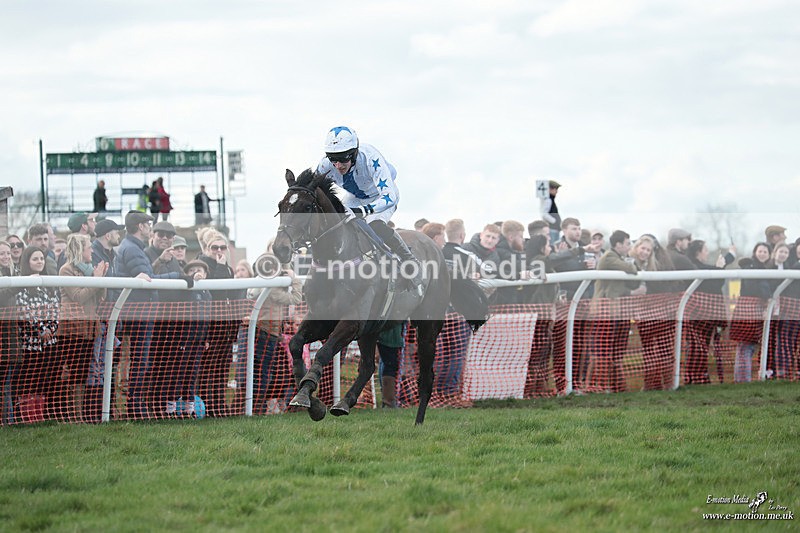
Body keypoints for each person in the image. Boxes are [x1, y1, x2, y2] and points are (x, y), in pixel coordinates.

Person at [316, 125, 424, 296]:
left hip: (381, 196)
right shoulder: (324, 166)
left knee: (375, 223)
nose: (337, 165)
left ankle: (409, 261)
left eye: (343, 158)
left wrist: (363, 210)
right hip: (356, 197)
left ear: (353, 153)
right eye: (332, 159)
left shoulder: (370, 157)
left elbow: (389, 196)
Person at [114, 211, 193, 418]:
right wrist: (179, 276)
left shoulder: (133, 248)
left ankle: (137, 407)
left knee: (142, 362)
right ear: (141, 227)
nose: (150, 227)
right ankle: (136, 408)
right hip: (140, 313)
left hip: (142, 312)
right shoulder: (133, 249)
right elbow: (150, 279)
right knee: (141, 362)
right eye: (149, 224)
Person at [58, 234, 108, 422]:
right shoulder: (66, 270)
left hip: (89, 327)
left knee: (84, 371)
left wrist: (101, 278)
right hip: (72, 327)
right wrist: (96, 279)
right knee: (74, 371)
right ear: (80, 249)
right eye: (89, 247)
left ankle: (81, 415)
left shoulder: (89, 271)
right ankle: (72, 415)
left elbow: (100, 296)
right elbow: (78, 296)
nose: (92, 250)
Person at [590, 230, 644, 393]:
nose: (630, 247)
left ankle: (616, 387)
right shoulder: (609, 257)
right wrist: (633, 263)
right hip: (605, 311)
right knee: (603, 350)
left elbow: (634, 282)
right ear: (618, 244)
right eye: (628, 244)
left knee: (616, 351)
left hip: (618, 311)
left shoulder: (619, 258)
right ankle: (597, 386)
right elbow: (631, 269)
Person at [14, 246, 60, 422]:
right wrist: (41, 330)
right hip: (30, 345)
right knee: (29, 381)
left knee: (45, 381)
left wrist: (51, 329)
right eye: (35, 259)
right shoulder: (22, 285)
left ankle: (41, 417)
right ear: (27, 262)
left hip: (50, 343)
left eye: (41, 258)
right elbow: (24, 311)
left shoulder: (50, 286)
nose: (40, 261)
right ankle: (28, 418)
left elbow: (56, 310)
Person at [731, 243, 772, 383]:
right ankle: (743, 380)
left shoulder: (761, 268)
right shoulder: (752, 268)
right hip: (748, 311)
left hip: (748, 310)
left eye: (765, 251)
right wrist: (766, 295)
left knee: (744, 347)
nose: (762, 254)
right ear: (755, 252)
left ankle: (740, 379)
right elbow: (756, 289)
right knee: (746, 347)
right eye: (760, 251)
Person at [540, 180, 562, 244]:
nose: (557, 191)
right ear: (550, 189)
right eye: (555, 189)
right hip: (552, 229)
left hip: (554, 229)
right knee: (553, 246)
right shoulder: (548, 200)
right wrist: (554, 221)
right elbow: (544, 214)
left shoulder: (549, 199)